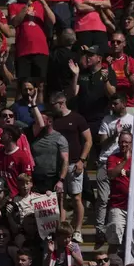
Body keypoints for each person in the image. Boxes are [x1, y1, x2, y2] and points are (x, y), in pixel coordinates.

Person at [50, 91, 91, 243]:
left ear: (61, 103)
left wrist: (82, 160)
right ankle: (63, 229)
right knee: (61, 197)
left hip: (74, 163)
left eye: (53, 105)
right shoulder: (53, 120)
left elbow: (88, 140)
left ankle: (78, 230)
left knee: (76, 198)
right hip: (59, 164)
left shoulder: (77, 118)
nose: (52, 107)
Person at [8, 0, 55, 82]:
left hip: (41, 50)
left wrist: (43, 1)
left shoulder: (42, 5)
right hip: (23, 50)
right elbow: (15, 22)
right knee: (23, 84)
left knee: (41, 84)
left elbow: (52, 21)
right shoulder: (14, 6)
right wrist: (27, 4)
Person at [105, 130, 132, 256]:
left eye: (127, 142)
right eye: (121, 142)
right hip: (118, 207)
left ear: (132, 143)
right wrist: (124, 161)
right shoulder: (112, 158)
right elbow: (111, 175)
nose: (124, 145)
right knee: (114, 241)